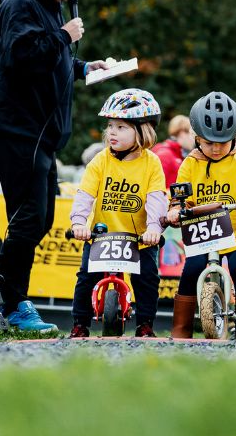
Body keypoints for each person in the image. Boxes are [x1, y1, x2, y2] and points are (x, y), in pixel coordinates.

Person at [0, 0, 109, 333]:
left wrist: (84, 67)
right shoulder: (20, 2)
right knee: (29, 218)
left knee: (39, 220)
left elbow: (48, 60)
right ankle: (6, 301)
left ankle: (1, 297)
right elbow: (19, 56)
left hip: (40, 135)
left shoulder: (45, 5)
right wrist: (64, 36)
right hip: (19, 130)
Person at [69, 89, 167, 338]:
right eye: (110, 126)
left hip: (139, 238)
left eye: (121, 127)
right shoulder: (100, 160)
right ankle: (80, 324)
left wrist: (154, 228)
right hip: (102, 236)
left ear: (142, 131)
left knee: (147, 278)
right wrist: (79, 222)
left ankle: (145, 325)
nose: (112, 132)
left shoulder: (152, 163)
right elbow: (85, 194)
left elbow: (156, 199)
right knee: (86, 277)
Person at [168, 92, 236, 341]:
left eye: (223, 142)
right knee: (191, 270)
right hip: (202, 232)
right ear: (197, 138)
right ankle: (181, 327)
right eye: (209, 142)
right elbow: (180, 197)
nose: (217, 148)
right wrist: (175, 210)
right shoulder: (190, 163)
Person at [152, 114, 195, 187]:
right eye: (192, 134)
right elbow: (156, 187)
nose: (194, 139)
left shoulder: (178, 154)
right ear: (182, 133)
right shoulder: (165, 155)